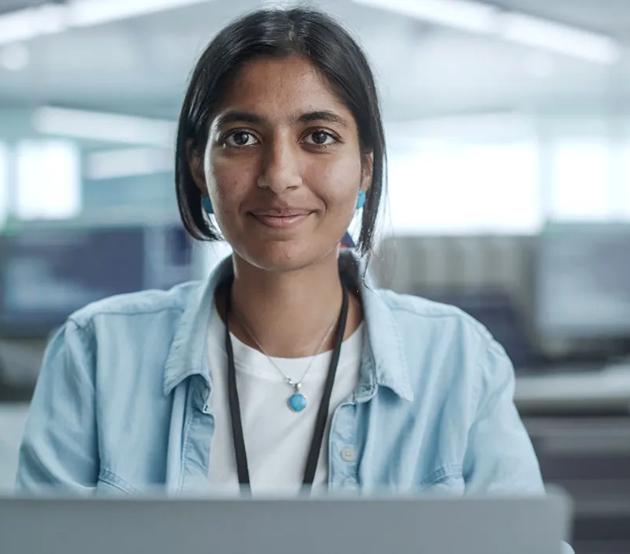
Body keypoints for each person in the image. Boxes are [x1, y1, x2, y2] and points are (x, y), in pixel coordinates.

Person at [17, 7, 543, 498]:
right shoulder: (97, 354)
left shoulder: (459, 361)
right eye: (242, 138)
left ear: (366, 166)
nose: (279, 176)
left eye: (318, 136)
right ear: (199, 165)